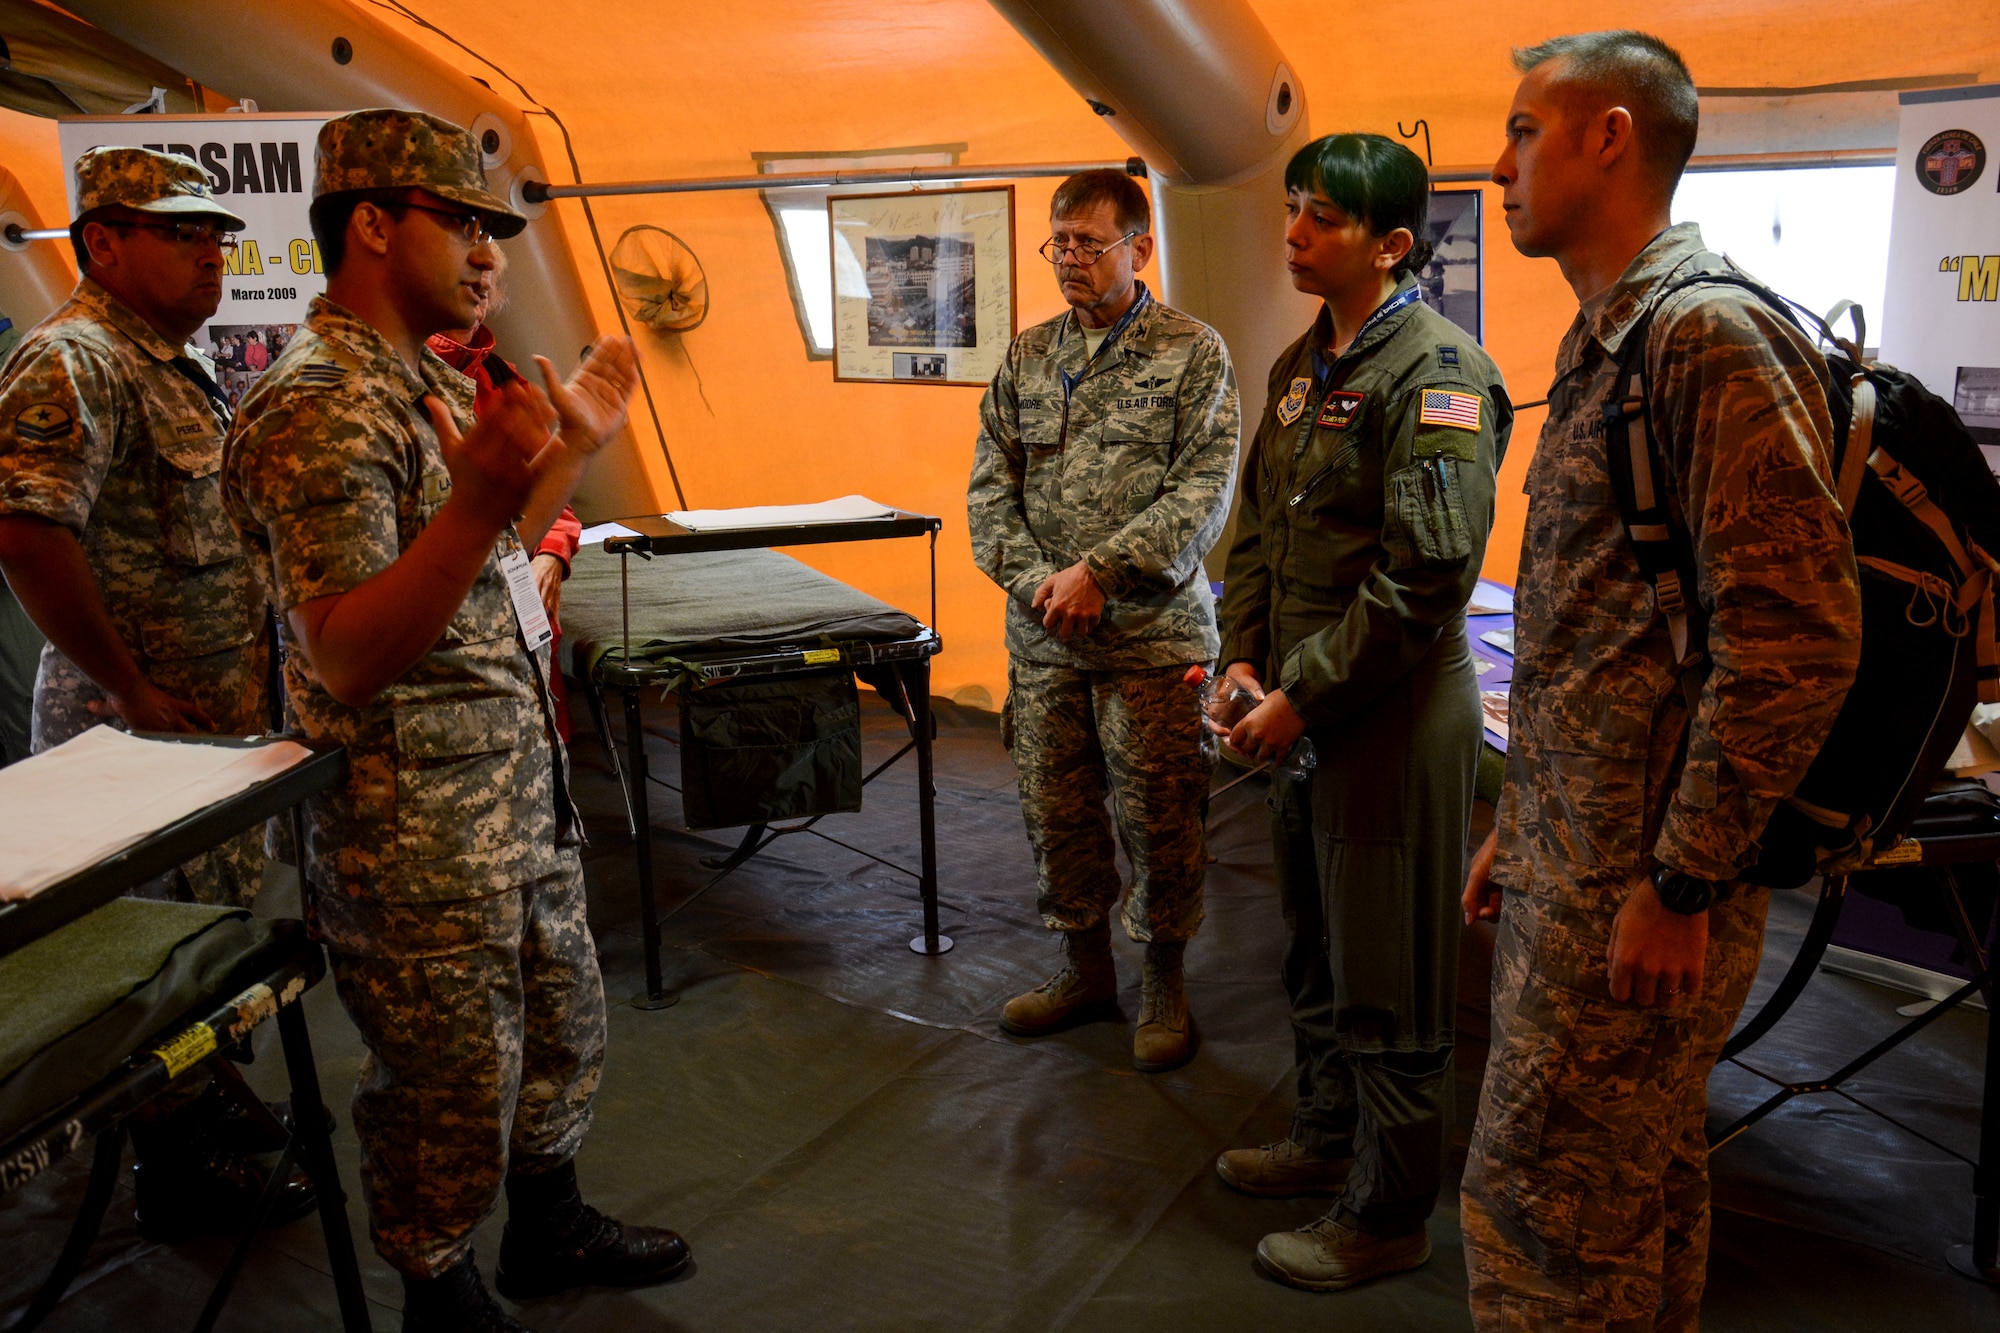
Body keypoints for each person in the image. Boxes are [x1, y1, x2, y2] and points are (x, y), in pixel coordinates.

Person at [222, 108, 686, 1332]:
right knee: (445, 1077)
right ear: (372, 223)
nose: (491, 253)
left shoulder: (422, 373)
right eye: (463, 223)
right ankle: (440, 1285)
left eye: (498, 231)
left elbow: (466, 557)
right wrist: (489, 496)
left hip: (502, 786)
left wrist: (560, 461)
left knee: (556, 1019)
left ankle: (545, 1222)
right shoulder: (320, 403)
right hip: (412, 821)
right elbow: (350, 651)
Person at [1459, 32, 1862, 1329]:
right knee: (1637, 1192)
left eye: (1524, 130)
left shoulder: (1705, 337)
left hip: (1639, 891)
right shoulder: (1610, 343)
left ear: (1609, 136)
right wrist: (1520, 828)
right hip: (1577, 866)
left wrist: (1684, 880)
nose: (1499, 162)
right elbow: (1600, 634)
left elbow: (1795, 639)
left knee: (1543, 1219)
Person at [1212, 133, 1509, 1292]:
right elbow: (1257, 535)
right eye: (1290, 208)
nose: (1292, 233)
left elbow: (1425, 578)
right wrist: (1241, 664)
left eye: (1321, 218)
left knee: (1387, 969)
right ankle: (1325, 1140)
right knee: (1316, 950)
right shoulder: (1302, 365)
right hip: (1299, 708)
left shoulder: (1436, 374)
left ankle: (1387, 1213)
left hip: (1382, 716)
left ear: (1389, 245)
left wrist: (1302, 693)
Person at [0, 145, 310, 1237]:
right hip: (130, 729)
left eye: (216, 236)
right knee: (147, 946)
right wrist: (125, 685)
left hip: (200, 722)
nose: (210, 257)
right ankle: (177, 1171)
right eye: (180, 234)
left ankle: (208, 1096)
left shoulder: (166, 361)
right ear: (102, 241)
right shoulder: (73, 359)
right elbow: (29, 537)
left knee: (204, 932)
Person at [967, 168, 1239, 1073]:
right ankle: (1083, 969)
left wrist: (1102, 573)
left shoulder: (1191, 352)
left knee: (1162, 816)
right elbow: (987, 495)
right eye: (1059, 243)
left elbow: (1203, 494)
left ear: (1140, 248)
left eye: (1090, 243)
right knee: (1057, 814)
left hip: (1153, 643)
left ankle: (1164, 984)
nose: (1071, 260)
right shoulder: (1027, 357)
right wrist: (1046, 583)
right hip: (1046, 642)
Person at [427, 248, 583, 739]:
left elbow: (555, 502)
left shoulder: (502, 380)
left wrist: (553, 556)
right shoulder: (398, 385)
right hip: (448, 657)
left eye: (490, 271)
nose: (482, 279)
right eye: (470, 269)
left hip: (522, 626)